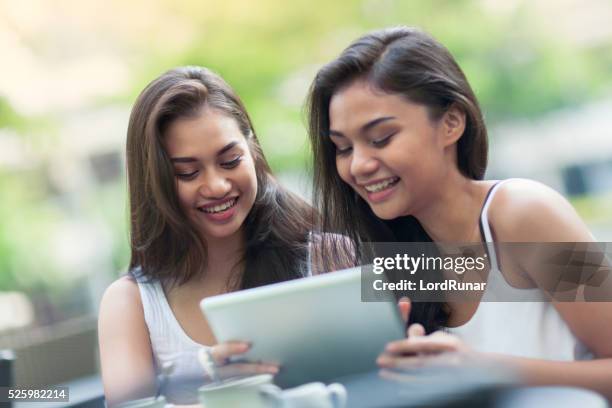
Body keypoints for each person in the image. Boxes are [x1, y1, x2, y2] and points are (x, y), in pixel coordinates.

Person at [306, 26, 612, 398]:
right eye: (343, 148)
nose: (358, 165)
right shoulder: (401, 261)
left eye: (381, 139)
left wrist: (484, 370)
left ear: (452, 122)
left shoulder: (526, 212)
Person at [98, 66, 315, 406]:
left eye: (230, 161)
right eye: (188, 172)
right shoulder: (131, 304)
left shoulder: (326, 254)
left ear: (252, 150)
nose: (216, 186)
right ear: (154, 182)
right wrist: (202, 376)